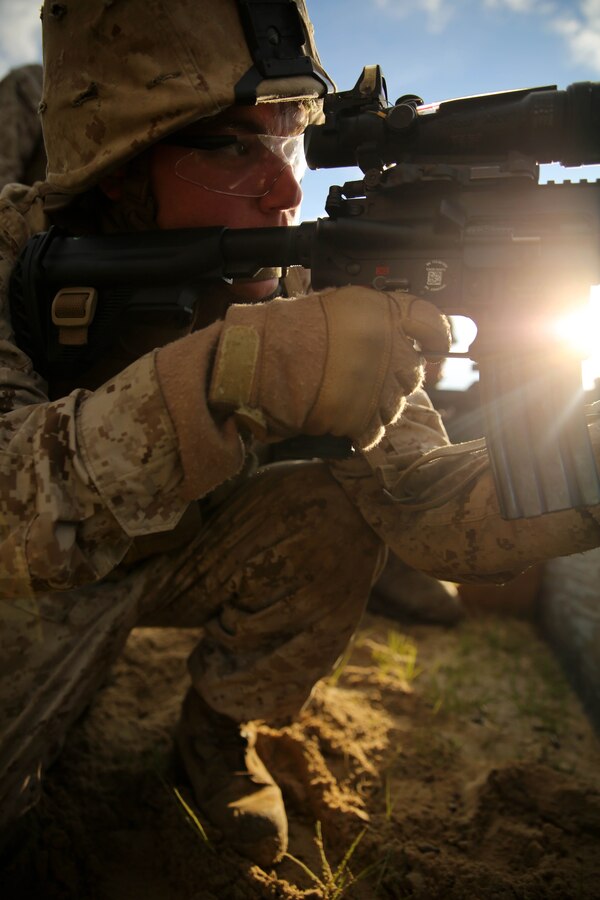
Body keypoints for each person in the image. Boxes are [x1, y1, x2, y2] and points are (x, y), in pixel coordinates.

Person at [1, 0, 600, 870]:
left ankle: (216, 728)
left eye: (287, 139)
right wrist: (229, 381)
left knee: (333, 505)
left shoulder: (308, 282)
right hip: (38, 586)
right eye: (229, 145)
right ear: (119, 166)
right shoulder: (13, 255)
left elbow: (424, 506)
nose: (285, 187)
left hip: (186, 550)